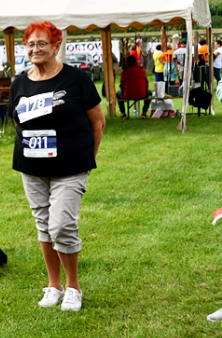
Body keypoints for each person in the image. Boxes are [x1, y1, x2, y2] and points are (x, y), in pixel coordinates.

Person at [9, 20, 105, 312]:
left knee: (61, 224)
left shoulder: (77, 80)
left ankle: (73, 286)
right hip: (31, 165)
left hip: (71, 164)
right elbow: (17, 121)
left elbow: (97, 121)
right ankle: (54, 285)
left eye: (42, 43)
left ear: (56, 46)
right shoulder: (20, 83)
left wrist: (88, 156)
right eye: (31, 44)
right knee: (44, 224)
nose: (35, 49)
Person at [117, 55, 152, 119]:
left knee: (118, 94)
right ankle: (144, 112)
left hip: (128, 94)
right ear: (135, 61)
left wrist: (124, 91)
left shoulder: (124, 73)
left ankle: (123, 113)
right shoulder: (142, 71)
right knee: (149, 92)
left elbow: (122, 85)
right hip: (142, 94)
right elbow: (146, 83)